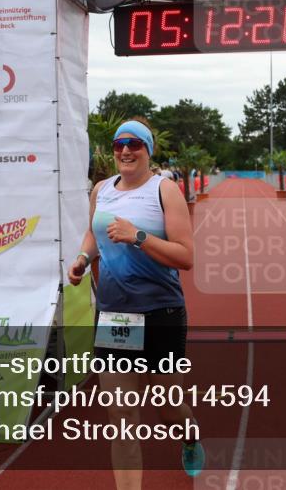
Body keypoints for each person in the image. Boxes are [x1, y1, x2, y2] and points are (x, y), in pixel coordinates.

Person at [68, 119, 204, 487]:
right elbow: (94, 234)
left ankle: (189, 433)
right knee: (123, 417)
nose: (124, 151)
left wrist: (138, 236)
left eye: (133, 144)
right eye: (117, 145)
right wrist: (82, 259)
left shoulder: (165, 190)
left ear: (147, 150)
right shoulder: (101, 190)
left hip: (161, 312)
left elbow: (186, 257)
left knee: (168, 405)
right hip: (116, 316)